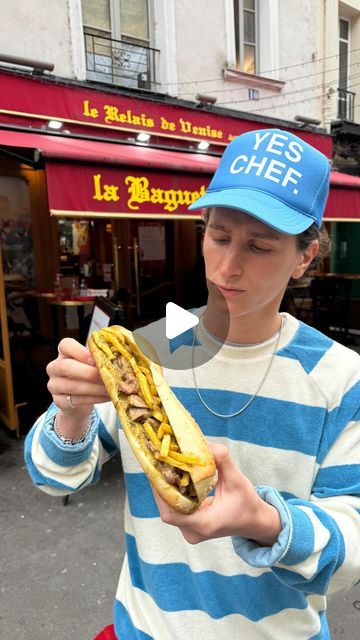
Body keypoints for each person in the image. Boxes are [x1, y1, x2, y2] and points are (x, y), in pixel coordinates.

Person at [25, 128, 360, 640]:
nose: (228, 266)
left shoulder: (339, 378)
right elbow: (55, 479)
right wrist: (71, 412)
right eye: (219, 236)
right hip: (145, 627)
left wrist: (267, 523)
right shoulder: (153, 347)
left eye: (260, 246)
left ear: (304, 258)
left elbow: (351, 550)